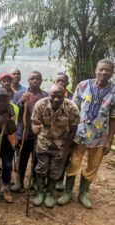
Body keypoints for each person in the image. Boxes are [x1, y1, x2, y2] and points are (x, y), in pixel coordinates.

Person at [57, 59, 115, 209]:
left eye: (107, 70)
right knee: (74, 163)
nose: (103, 72)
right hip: (79, 135)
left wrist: (109, 140)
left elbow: (113, 118)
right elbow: (72, 109)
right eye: (101, 69)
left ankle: (83, 193)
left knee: (93, 166)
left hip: (100, 137)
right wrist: (68, 134)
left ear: (112, 73)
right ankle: (68, 192)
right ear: (96, 69)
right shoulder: (83, 85)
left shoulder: (114, 91)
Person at [31, 84, 79, 208]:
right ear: (49, 95)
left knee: (55, 171)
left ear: (64, 95)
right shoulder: (40, 104)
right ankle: (40, 193)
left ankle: (49, 194)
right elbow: (34, 122)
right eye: (53, 96)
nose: (56, 99)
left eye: (60, 96)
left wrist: (66, 149)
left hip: (61, 144)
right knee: (41, 169)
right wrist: (34, 127)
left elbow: (74, 130)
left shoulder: (71, 108)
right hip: (43, 143)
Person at [13, 71, 48, 189]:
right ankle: (19, 182)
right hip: (24, 133)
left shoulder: (46, 95)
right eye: (32, 79)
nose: (35, 81)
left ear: (41, 81)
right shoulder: (20, 94)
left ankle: (33, 181)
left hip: (40, 133)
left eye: (37, 79)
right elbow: (14, 112)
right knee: (22, 159)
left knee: (37, 159)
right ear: (28, 81)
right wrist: (21, 102)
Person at [54, 72, 74, 191]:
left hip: (66, 132)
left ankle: (60, 180)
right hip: (52, 132)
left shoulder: (72, 96)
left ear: (67, 83)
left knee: (64, 156)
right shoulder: (50, 94)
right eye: (58, 81)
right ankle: (48, 179)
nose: (61, 83)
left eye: (63, 81)